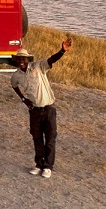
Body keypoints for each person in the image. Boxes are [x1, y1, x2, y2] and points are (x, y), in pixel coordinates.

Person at [11, 36, 73, 178]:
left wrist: (62, 51)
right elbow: (14, 86)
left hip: (48, 108)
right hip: (34, 111)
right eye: (19, 59)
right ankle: (39, 164)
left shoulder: (38, 66)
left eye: (23, 59)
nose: (21, 61)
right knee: (37, 138)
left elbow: (51, 60)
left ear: (28, 59)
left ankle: (48, 166)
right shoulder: (16, 75)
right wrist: (24, 99)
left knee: (50, 138)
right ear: (16, 60)